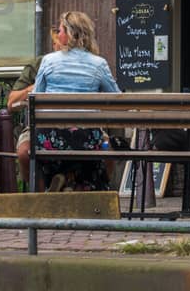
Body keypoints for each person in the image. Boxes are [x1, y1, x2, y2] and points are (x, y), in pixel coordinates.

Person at [12, 10, 119, 191]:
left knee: (26, 147)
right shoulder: (99, 64)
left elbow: (37, 97)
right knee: (106, 147)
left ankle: (42, 195)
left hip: (49, 140)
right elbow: (116, 100)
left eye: (60, 30)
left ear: (70, 34)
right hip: (87, 140)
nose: (58, 34)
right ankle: (93, 192)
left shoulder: (48, 61)